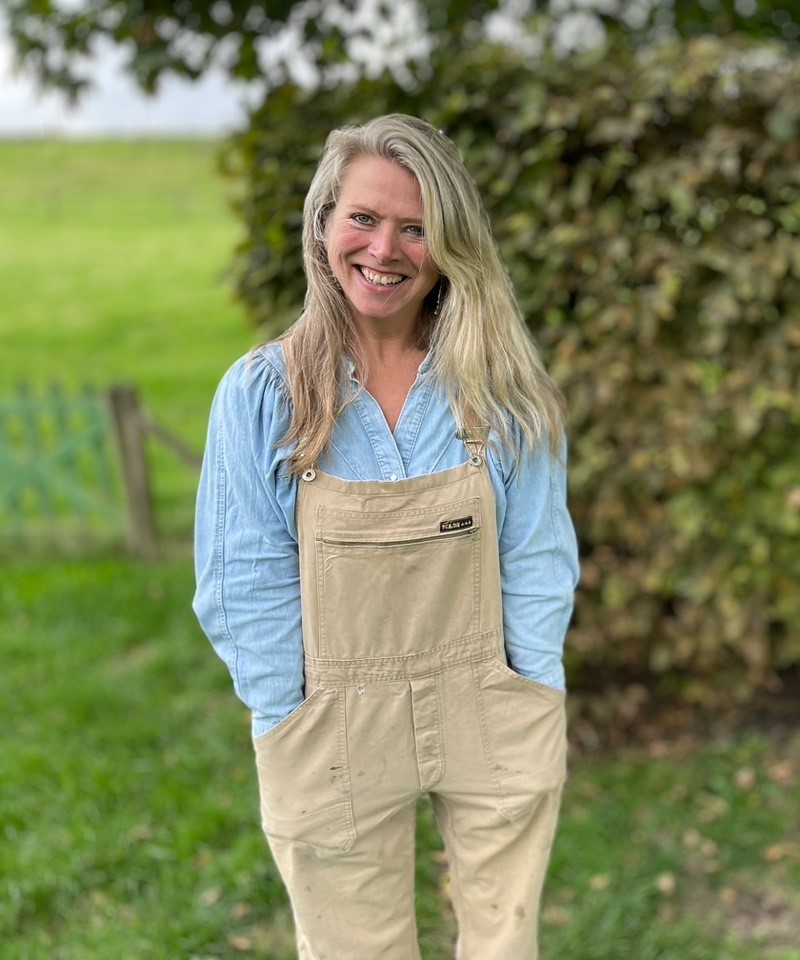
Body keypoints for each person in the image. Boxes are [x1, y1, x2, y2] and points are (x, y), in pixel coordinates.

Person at [193, 113, 578, 960]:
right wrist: (288, 712)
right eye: (364, 218)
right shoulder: (264, 394)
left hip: (489, 701)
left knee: (505, 947)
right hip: (329, 723)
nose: (386, 248)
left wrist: (529, 686)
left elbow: (539, 560)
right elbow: (241, 580)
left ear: (448, 246)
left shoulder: (501, 390)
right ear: (324, 223)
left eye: (416, 228)